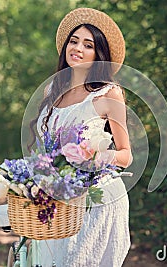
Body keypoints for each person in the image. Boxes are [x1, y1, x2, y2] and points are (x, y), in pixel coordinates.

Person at [31, 7, 132, 266]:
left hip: (96, 199)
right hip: (60, 196)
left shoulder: (108, 94)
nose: (77, 48)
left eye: (88, 45)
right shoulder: (53, 90)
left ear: (99, 55)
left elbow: (125, 155)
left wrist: (94, 157)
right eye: (74, 41)